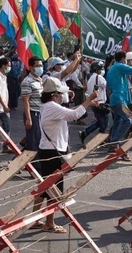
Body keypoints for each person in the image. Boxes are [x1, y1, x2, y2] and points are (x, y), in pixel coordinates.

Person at [32, 77, 99, 232]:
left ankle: (35, 218)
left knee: (45, 187)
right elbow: (73, 115)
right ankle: (49, 223)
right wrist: (88, 100)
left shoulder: (49, 106)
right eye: (60, 94)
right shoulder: (51, 107)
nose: (63, 96)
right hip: (53, 151)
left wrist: (86, 104)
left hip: (49, 149)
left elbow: (69, 112)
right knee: (54, 189)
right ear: (54, 95)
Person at [80, 61, 110, 144]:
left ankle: (85, 133)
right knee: (104, 123)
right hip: (99, 103)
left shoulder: (91, 77)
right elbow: (107, 85)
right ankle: (99, 140)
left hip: (94, 102)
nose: (102, 70)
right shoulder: (99, 77)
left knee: (100, 122)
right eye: (101, 69)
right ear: (97, 70)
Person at [20, 56, 45, 152]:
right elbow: (25, 101)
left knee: (37, 139)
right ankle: (32, 164)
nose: (40, 68)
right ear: (30, 68)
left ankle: (19, 161)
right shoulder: (27, 82)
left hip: (40, 112)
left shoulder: (39, 80)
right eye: (37, 66)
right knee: (33, 142)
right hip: (32, 113)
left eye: (41, 65)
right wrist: (28, 119)